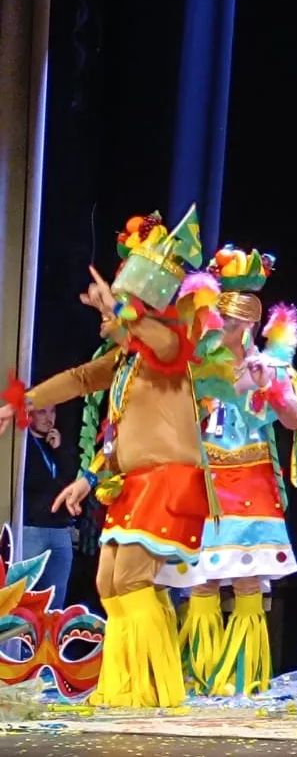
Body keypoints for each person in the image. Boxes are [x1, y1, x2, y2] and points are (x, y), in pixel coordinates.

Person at [1, 207, 213, 708]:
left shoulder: (168, 348)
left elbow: (163, 339)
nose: (104, 316)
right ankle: (125, 686)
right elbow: (79, 381)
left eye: (114, 307)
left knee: (132, 577)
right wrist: (23, 403)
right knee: (108, 580)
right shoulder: (126, 361)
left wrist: (125, 310)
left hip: (168, 480)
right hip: (134, 482)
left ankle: (152, 693)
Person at [163, 248, 297, 696]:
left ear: (247, 325)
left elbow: (294, 419)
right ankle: (203, 674)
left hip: (249, 477)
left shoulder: (269, 365)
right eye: (217, 323)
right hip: (205, 478)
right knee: (202, 577)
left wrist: (274, 390)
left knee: (247, 577)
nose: (219, 332)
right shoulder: (195, 368)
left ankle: (245, 674)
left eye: (229, 325)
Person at [19, 405, 76, 611]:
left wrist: (60, 450)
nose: (49, 418)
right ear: (29, 414)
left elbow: (71, 482)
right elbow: (30, 481)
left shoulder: (58, 445)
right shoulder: (23, 444)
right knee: (22, 596)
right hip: (31, 530)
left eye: (52, 412)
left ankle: (46, 643)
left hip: (60, 531)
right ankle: (20, 644)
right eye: (42, 412)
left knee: (55, 601)